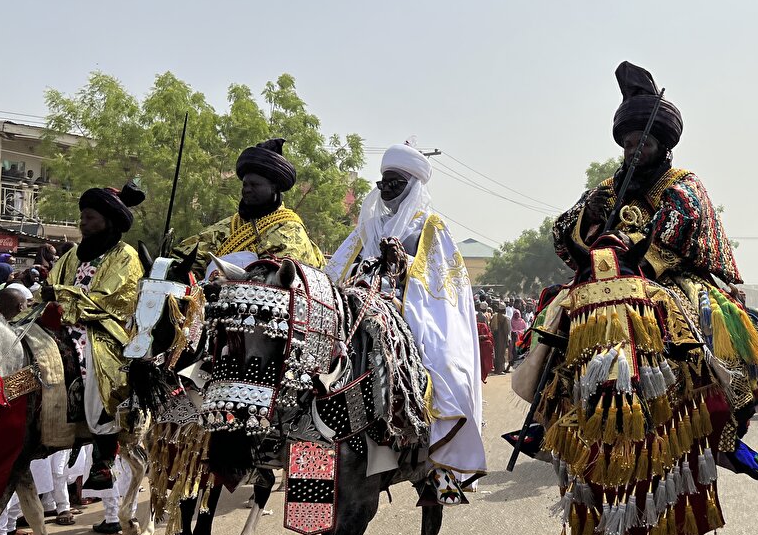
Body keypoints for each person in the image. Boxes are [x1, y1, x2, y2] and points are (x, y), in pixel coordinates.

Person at [545, 60, 758, 535]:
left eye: (639, 140)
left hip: (668, 280)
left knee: (721, 328)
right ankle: (547, 412)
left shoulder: (683, 182)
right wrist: (591, 221)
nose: (632, 148)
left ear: (661, 143)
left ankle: (729, 426)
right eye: (625, 140)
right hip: (607, 280)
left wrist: (636, 248)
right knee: (551, 323)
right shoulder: (605, 185)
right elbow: (562, 233)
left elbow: (676, 231)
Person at [327, 142, 487, 501]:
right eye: (383, 182)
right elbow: (336, 269)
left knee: (446, 366)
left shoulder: (431, 226)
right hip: (361, 303)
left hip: (408, 308)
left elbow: (442, 283)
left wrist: (403, 265)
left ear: (413, 184)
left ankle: (441, 467)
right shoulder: (367, 227)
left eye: (395, 182)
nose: (386, 189)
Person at [42, 182, 145, 535]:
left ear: (108, 220)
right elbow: (53, 284)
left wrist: (63, 296)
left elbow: (109, 300)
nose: (83, 223)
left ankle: (103, 453)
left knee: (93, 365)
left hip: (104, 332)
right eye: (82, 217)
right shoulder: (72, 254)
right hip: (64, 322)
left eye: (90, 217)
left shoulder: (125, 256)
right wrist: (50, 296)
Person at [177, 138, 323, 275]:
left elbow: (284, 269)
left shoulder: (290, 227)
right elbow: (188, 256)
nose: (247, 189)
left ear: (273, 188)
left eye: (255, 185)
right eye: (245, 184)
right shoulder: (230, 225)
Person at [490, 302, 511, 375]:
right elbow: (506, 330)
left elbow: (491, 326)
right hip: (502, 338)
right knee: (501, 354)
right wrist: (507, 340)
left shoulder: (494, 316)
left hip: (495, 337)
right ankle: (500, 370)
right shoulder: (505, 318)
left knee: (496, 353)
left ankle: (497, 369)